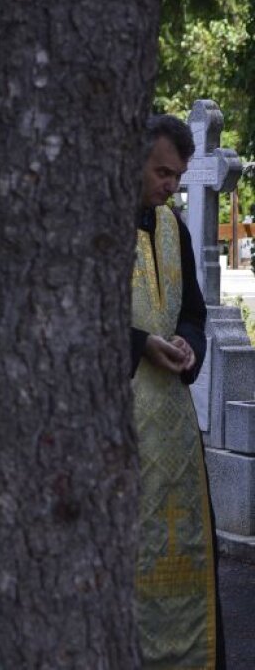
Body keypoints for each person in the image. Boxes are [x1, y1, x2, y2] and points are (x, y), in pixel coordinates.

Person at [130, 114, 219, 667]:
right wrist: (139, 342)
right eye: (162, 172)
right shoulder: (91, 226)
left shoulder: (173, 227)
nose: (170, 185)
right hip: (119, 417)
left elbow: (193, 312)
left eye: (177, 176)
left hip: (172, 421)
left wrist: (187, 345)